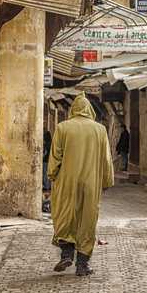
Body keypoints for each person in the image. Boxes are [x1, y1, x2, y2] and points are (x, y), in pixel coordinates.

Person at [47, 92, 114, 276]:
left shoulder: (62, 128)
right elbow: (106, 160)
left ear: (73, 110)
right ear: (89, 110)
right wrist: (107, 181)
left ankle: (67, 254)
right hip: (91, 183)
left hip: (66, 182)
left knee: (65, 216)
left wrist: (52, 176)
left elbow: (55, 157)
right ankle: (82, 263)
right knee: (87, 219)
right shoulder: (100, 130)